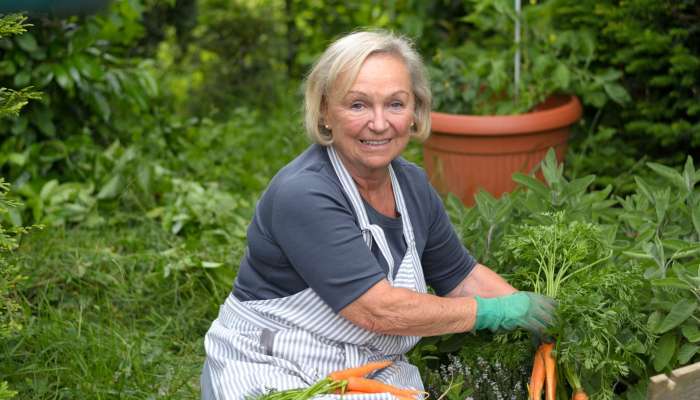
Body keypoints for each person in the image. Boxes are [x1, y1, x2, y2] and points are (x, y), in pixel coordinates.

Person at [200, 29, 555, 400]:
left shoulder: (412, 185)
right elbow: (378, 311)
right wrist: (493, 313)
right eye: (358, 105)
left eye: (396, 104)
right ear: (324, 111)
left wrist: (537, 315)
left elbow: (460, 276)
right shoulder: (304, 193)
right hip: (273, 365)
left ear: (416, 111)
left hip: (365, 366)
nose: (380, 123)